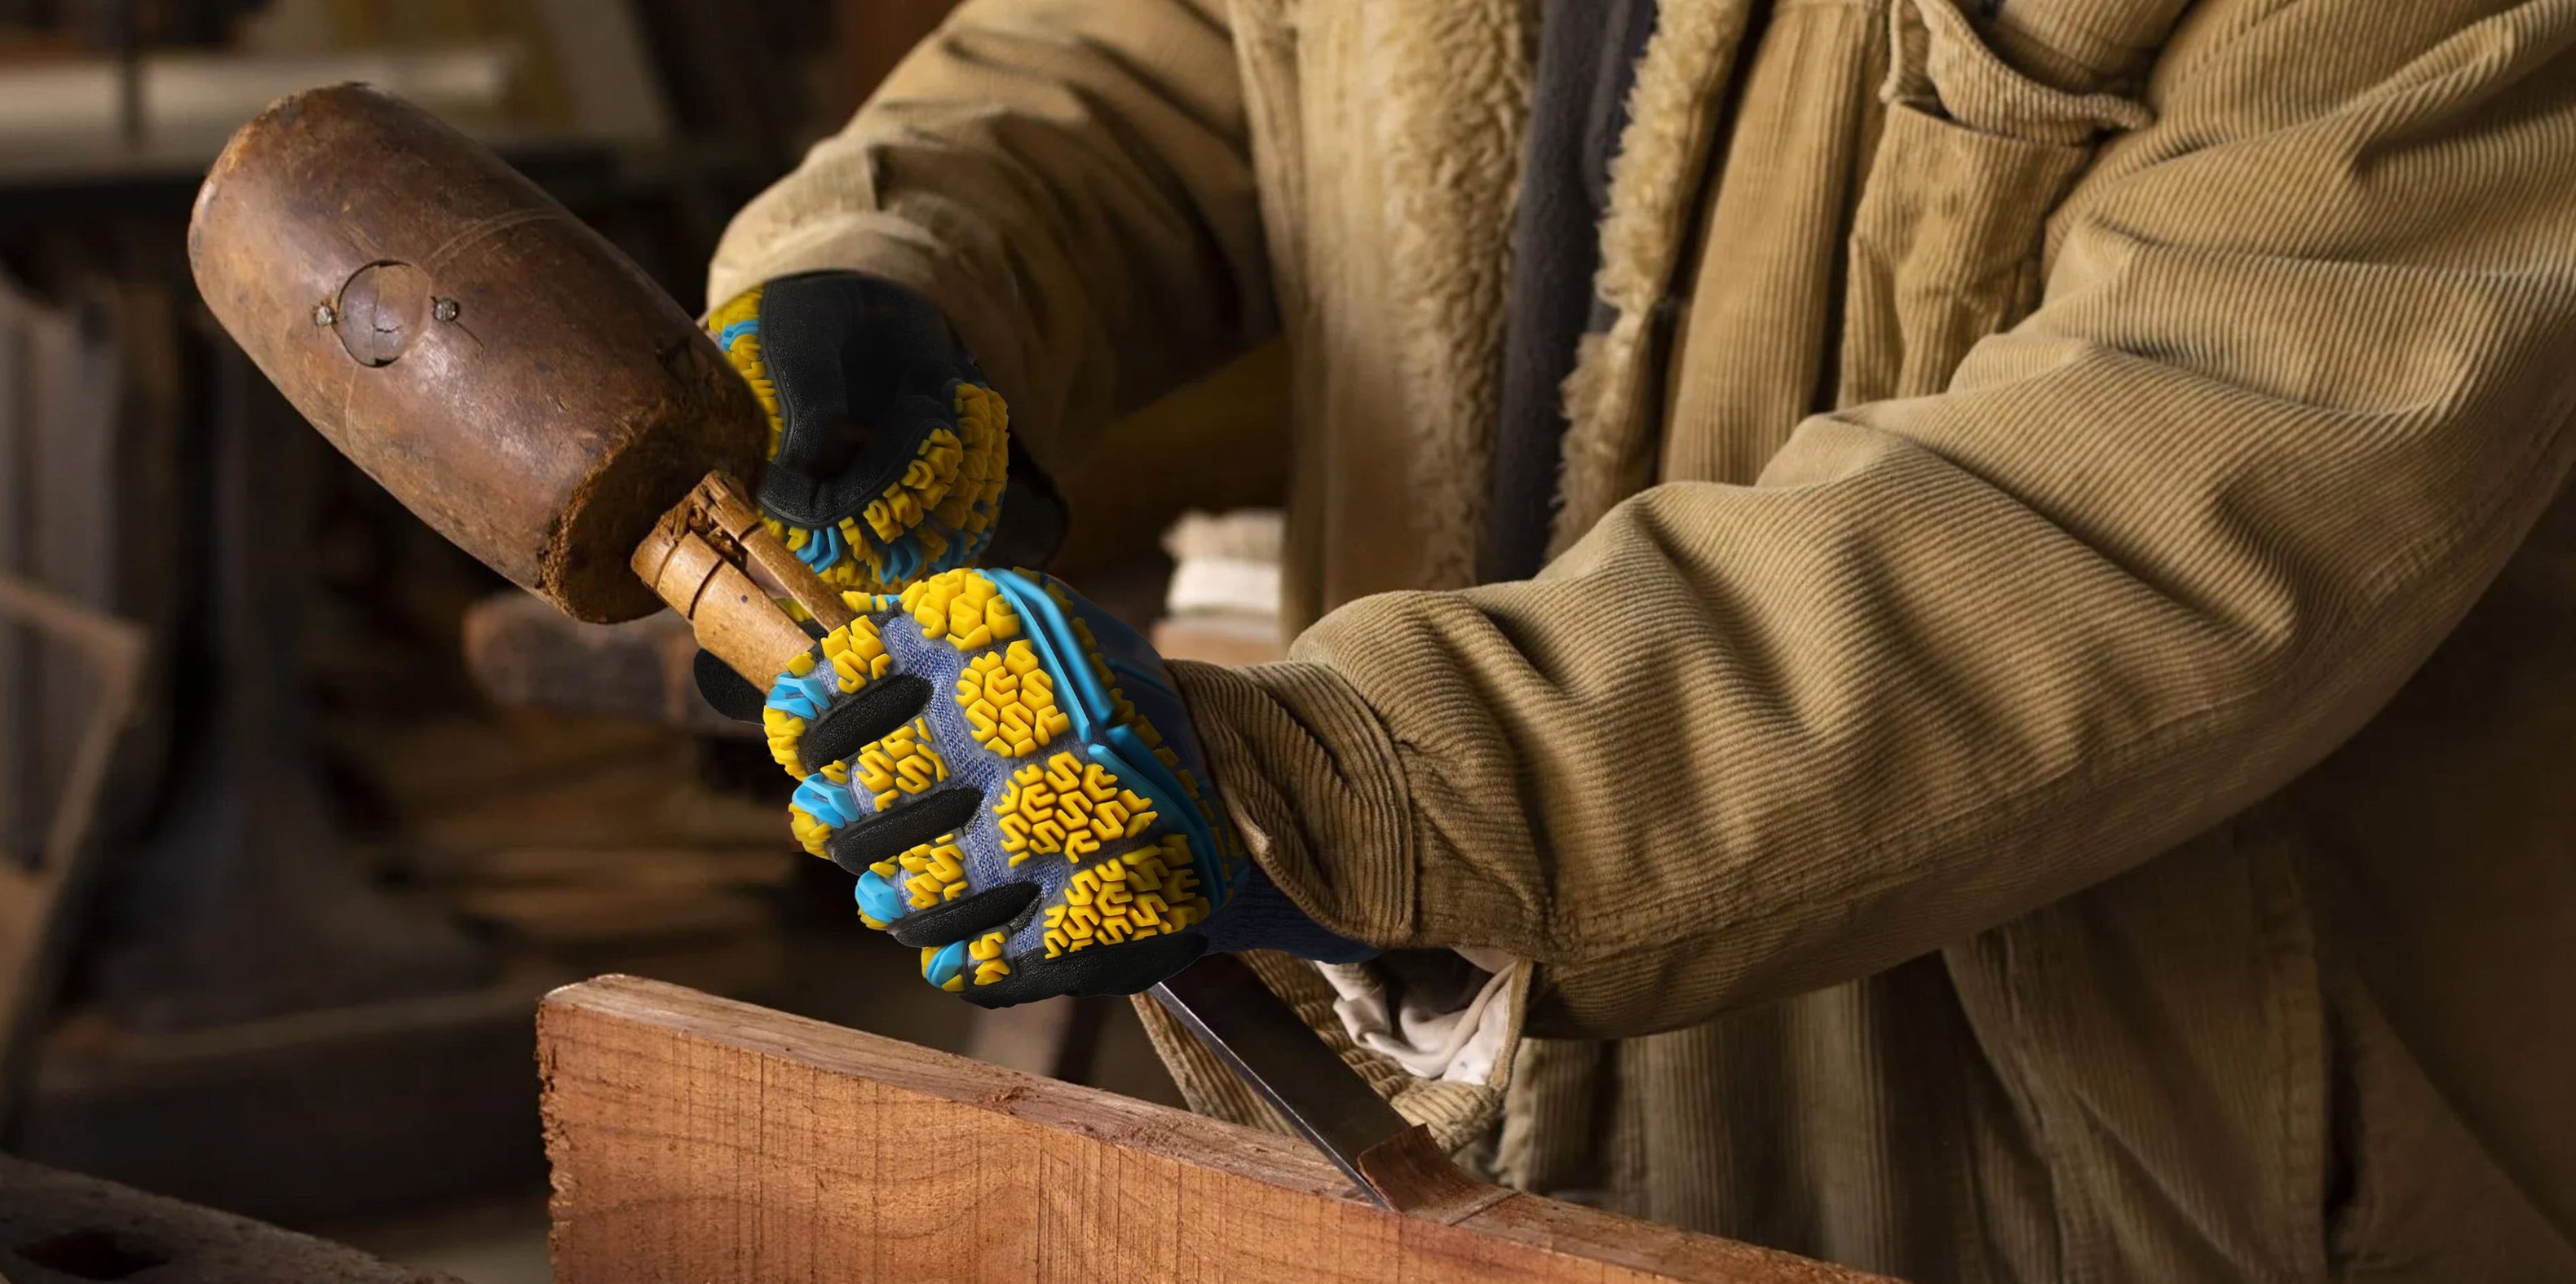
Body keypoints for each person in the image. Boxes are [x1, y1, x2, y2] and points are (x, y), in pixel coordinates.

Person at [694, 1, 2576, 1279]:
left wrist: (1368, 789)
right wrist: (898, 265)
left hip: (2129, 1173)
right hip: (1487, 1086)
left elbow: (2170, 479)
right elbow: (1184, 44)